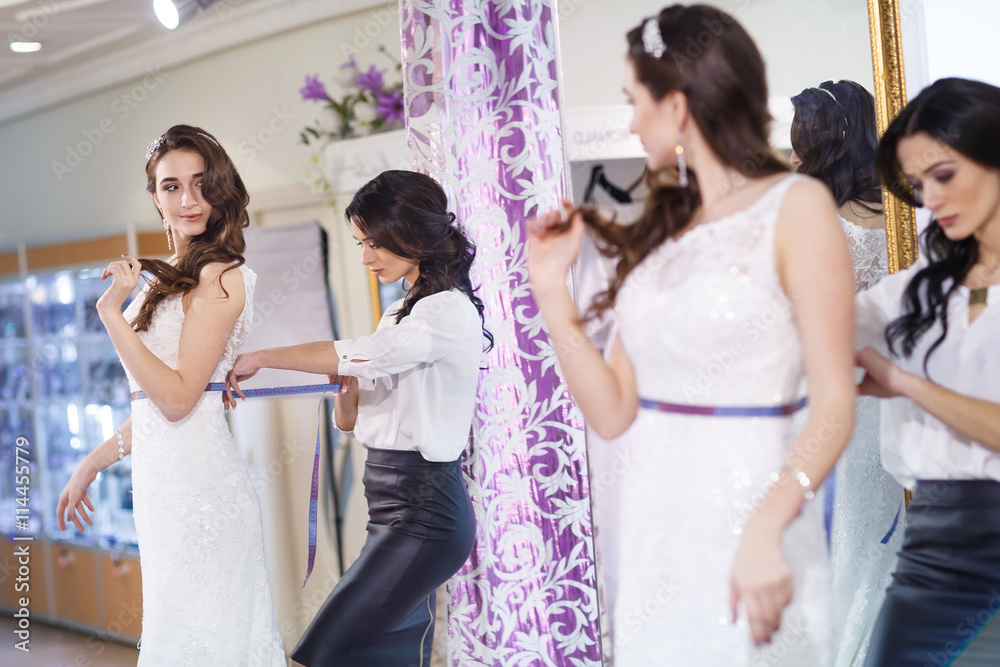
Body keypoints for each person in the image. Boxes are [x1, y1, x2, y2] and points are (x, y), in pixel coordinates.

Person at [527, 5, 857, 664]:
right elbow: (613, 411)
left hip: (757, 517)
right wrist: (550, 294)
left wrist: (767, 524)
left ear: (676, 106)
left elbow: (835, 403)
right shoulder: (663, 232)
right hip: (656, 528)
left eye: (633, 101)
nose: (629, 121)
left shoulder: (796, 207)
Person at [225, 169, 490, 667]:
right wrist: (345, 395)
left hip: (426, 514)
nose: (365, 257)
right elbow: (352, 420)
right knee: (383, 659)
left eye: (375, 244)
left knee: (316, 655)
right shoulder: (397, 314)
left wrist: (264, 356)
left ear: (412, 235)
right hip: (387, 507)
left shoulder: (448, 311)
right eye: (360, 243)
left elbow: (372, 356)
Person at [55, 125, 285, 664]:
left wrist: (111, 314)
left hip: (203, 491)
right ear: (154, 196)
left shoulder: (223, 277)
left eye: (203, 185)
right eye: (172, 186)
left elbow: (178, 400)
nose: (189, 200)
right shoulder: (168, 278)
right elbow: (154, 408)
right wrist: (91, 463)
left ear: (223, 189)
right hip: (161, 488)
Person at [855, 77, 1000, 665]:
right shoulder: (916, 290)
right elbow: (817, 334)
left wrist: (905, 384)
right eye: (918, 185)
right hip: (938, 545)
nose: (930, 199)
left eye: (943, 175)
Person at [791, 80, 905, 667]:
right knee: (870, 524)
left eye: (799, 142)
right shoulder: (900, 218)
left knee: (831, 530)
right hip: (882, 396)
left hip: (827, 393)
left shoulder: (820, 222)